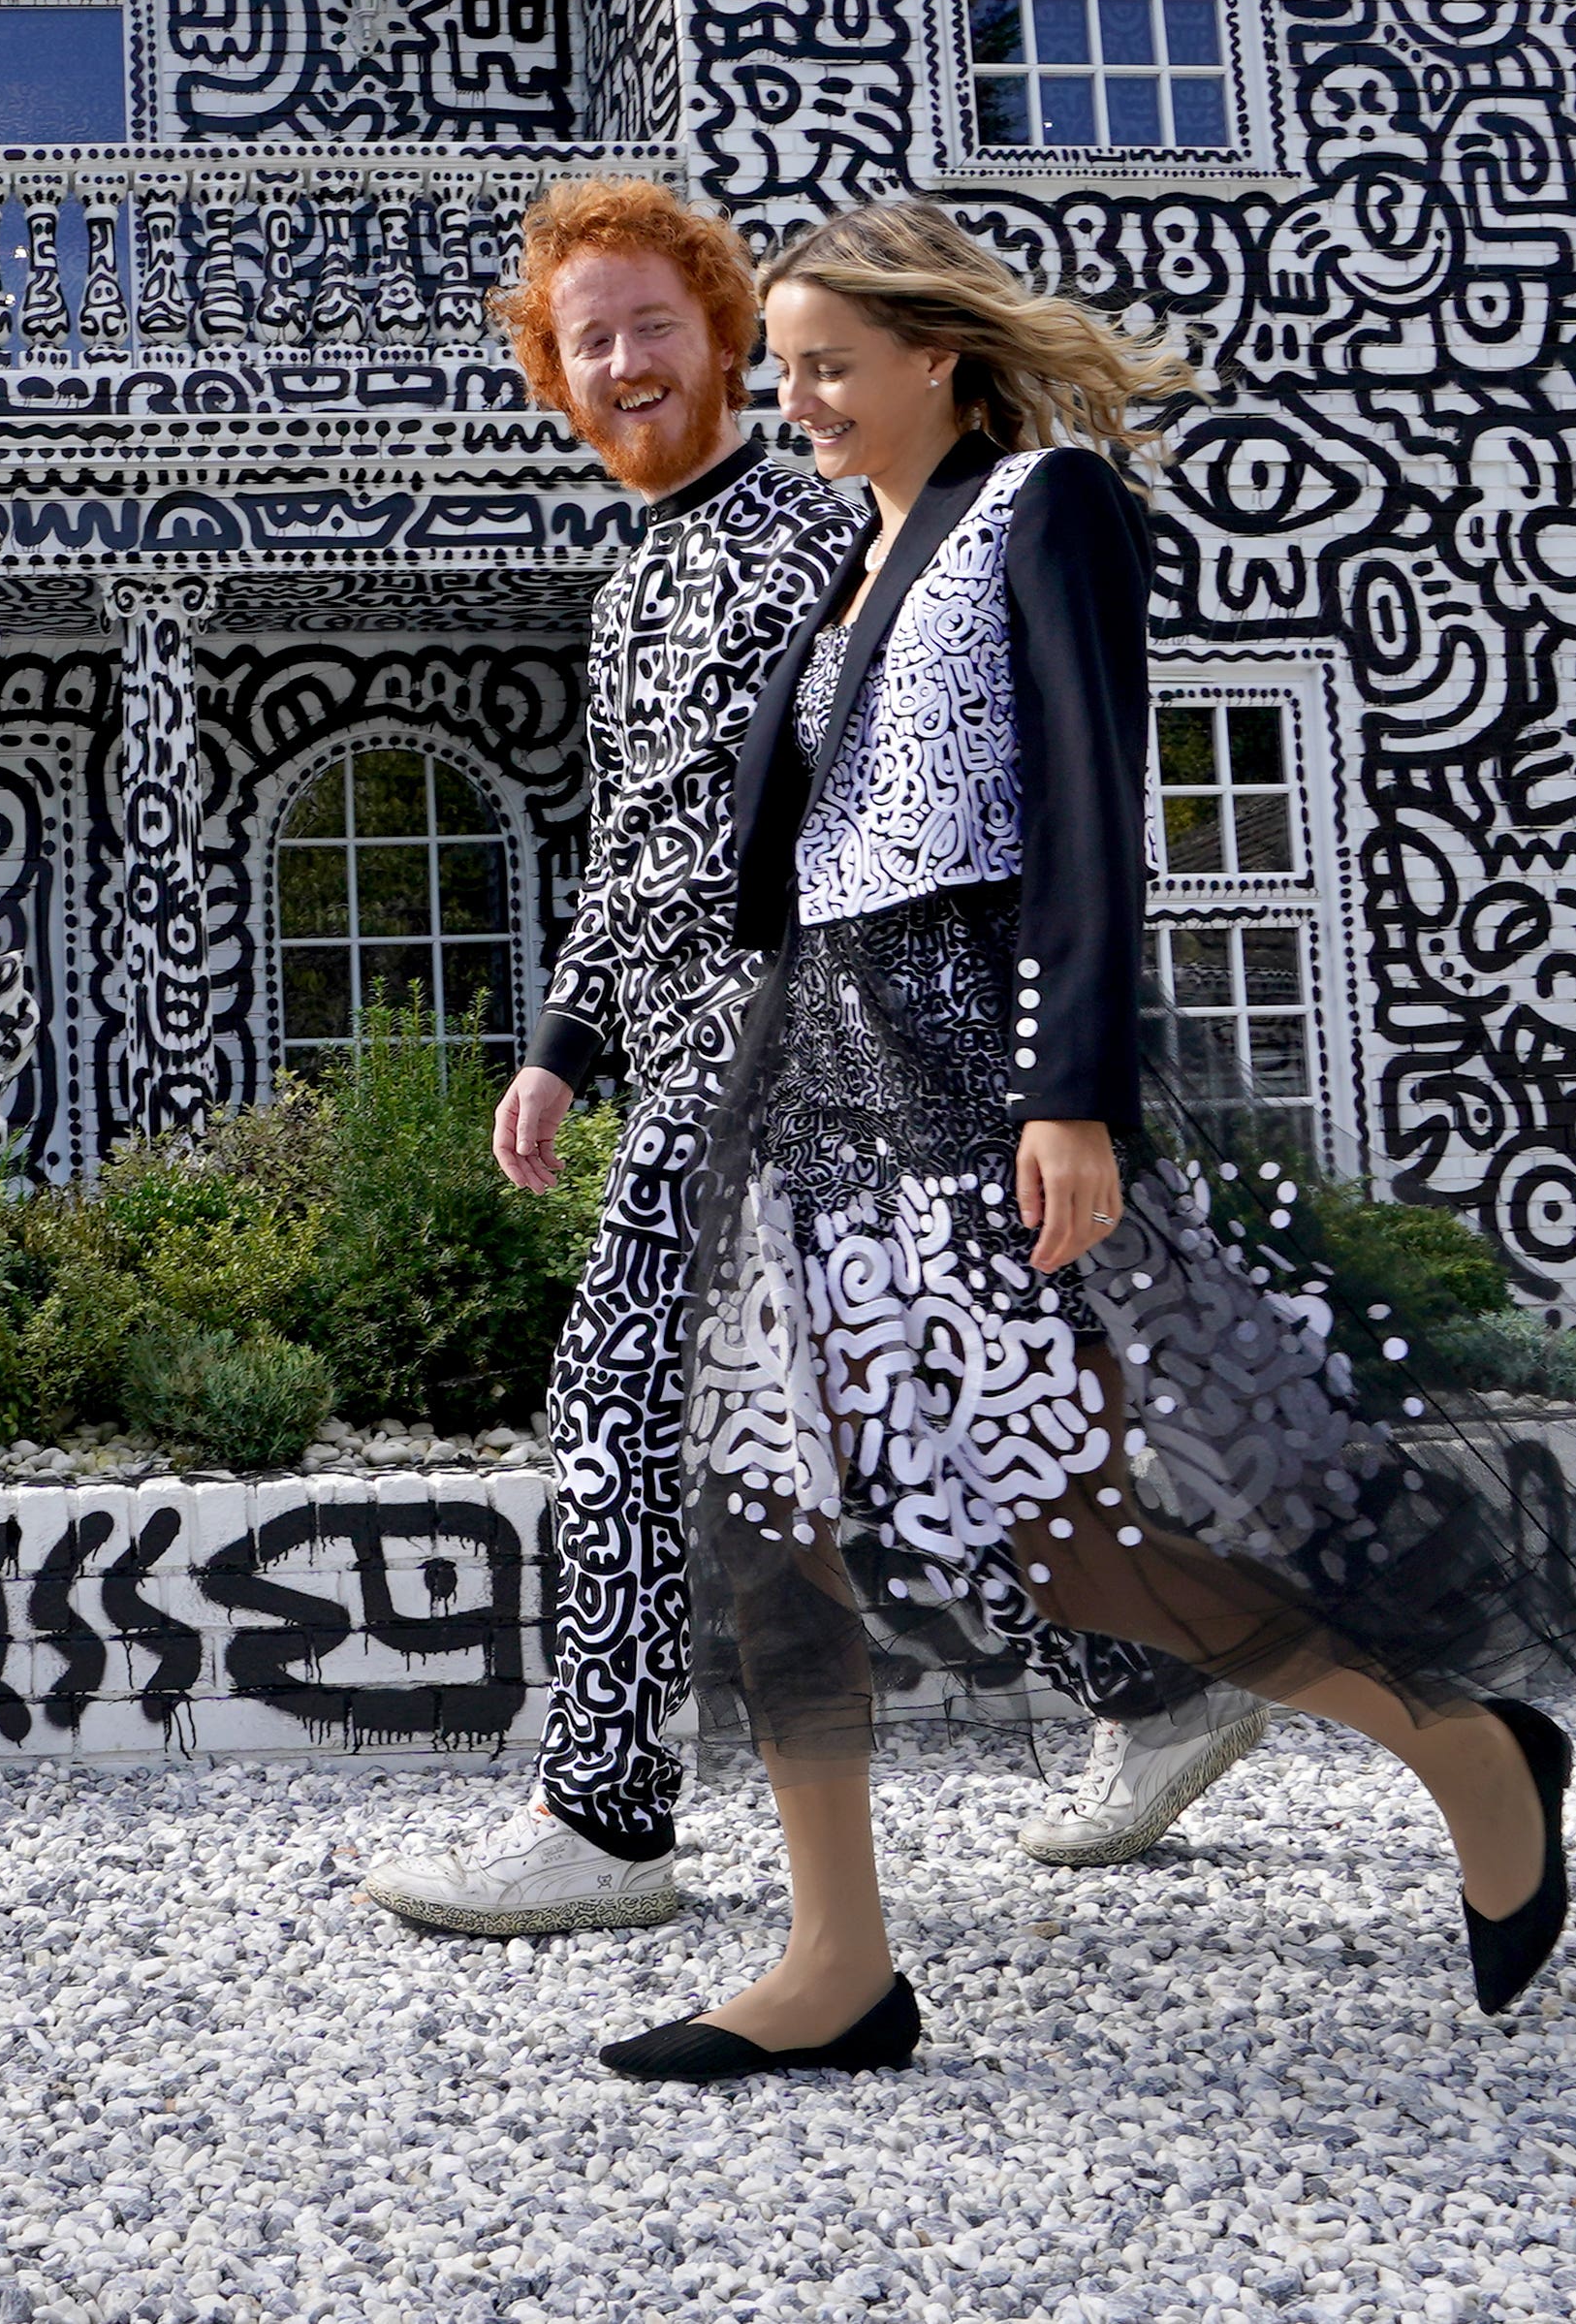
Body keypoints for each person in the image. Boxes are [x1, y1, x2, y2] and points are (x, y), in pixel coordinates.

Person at [597, 199, 1576, 2085]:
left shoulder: (1033, 509)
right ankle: (836, 1963)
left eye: (826, 365)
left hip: (968, 1058)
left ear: (935, 360)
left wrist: (1074, 1095)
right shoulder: (843, 560)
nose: (793, 399)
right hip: (804, 1058)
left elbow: (1081, 813)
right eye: (782, 369)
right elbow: (788, 847)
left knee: (1070, 1535)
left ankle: (1464, 1751)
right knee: (763, 1511)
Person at [363, 181, 1257, 1947]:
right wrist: (561, 1038)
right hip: (706, 1049)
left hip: (814, 1039)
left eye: (651, 325)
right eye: (583, 338)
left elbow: (870, 804)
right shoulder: (630, 587)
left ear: (718, 340)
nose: (621, 362)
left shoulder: (816, 525)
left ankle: (605, 1824)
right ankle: (1159, 1690)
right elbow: (634, 833)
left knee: (621, 1407)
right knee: (943, 1404)